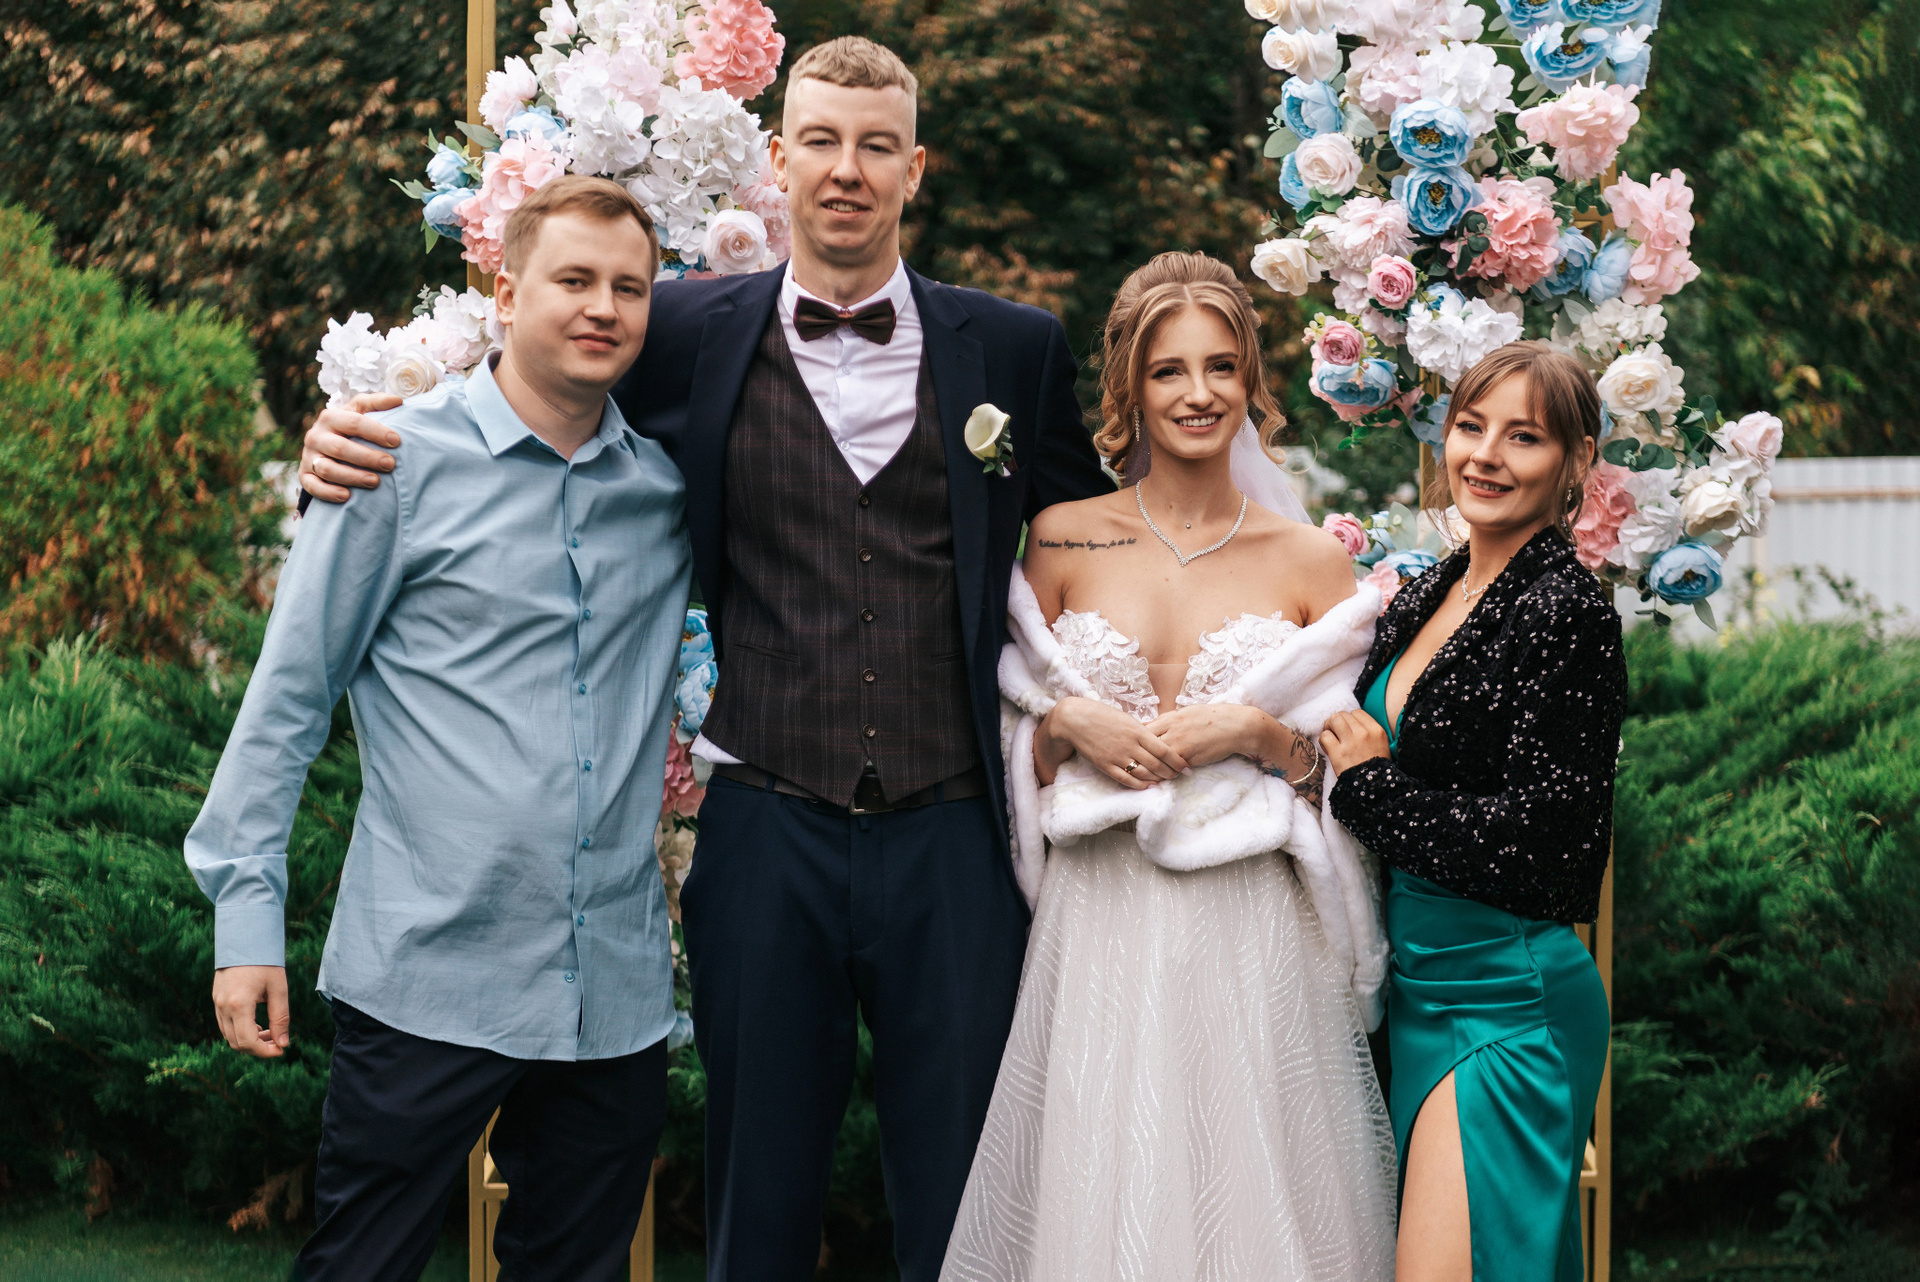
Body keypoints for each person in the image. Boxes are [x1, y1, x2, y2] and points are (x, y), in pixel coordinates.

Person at [295, 37, 1111, 1281]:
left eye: (877, 146)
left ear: (915, 169)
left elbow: (1093, 535)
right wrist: (356, 430)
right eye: (821, 141)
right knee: (755, 1201)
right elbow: (524, 382)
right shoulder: (678, 329)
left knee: (967, 1204)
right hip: (766, 834)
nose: (847, 170)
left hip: (954, 835)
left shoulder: (1014, 347)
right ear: (780, 159)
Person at [185, 176, 688, 1282]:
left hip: (608, 990)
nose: (603, 307)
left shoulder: (667, 491)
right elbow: (289, 699)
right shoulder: (388, 465)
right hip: (428, 968)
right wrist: (246, 921)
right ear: (505, 295)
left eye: (629, 288)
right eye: (573, 280)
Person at [943, 252, 1398, 1281]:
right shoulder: (1063, 541)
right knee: (1102, 1195)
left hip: (1251, 931)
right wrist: (1068, 727)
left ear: (1251, 382)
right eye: (1169, 370)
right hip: (1097, 923)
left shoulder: (1311, 561)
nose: (1199, 393)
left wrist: (1252, 734)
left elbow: (1345, 778)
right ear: (1130, 390)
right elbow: (1008, 738)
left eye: (1221, 366)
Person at [1320, 341, 1628, 1282]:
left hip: (1508, 1002)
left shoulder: (1568, 610)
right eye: (1470, 426)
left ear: (1576, 460)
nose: (1486, 455)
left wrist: (1370, 790)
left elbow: (1551, 854)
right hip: (1419, 992)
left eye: (1523, 437)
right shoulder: (1433, 589)